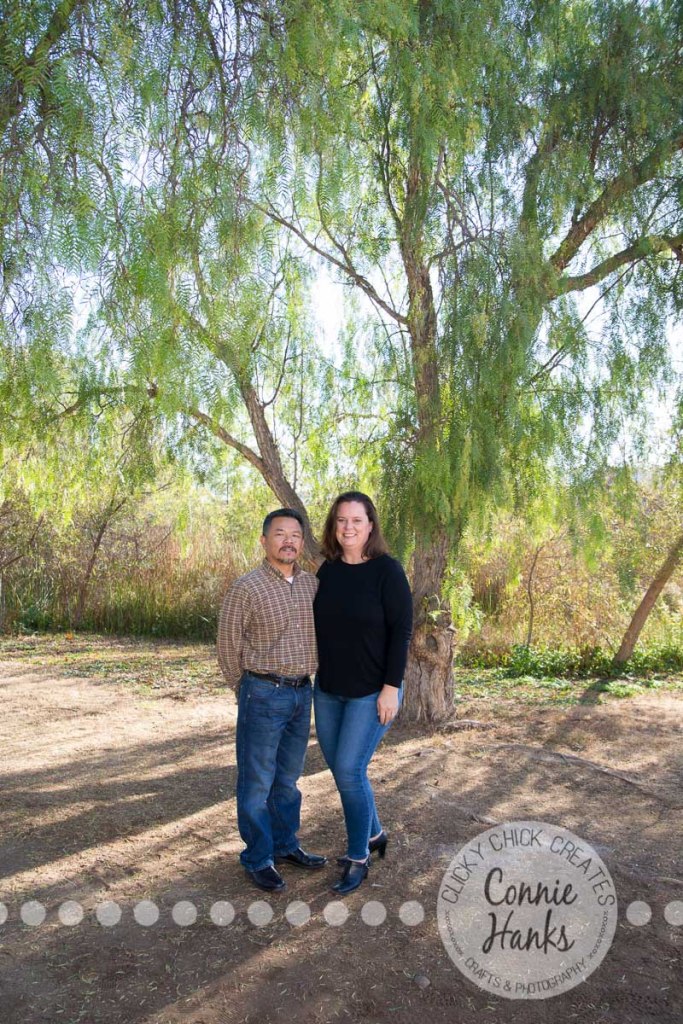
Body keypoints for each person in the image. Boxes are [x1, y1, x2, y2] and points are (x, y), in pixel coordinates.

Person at [217, 508, 327, 892]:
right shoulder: (246, 587)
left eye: (296, 534)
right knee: (257, 781)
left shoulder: (313, 585)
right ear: (264, 541)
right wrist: (245, 689)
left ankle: (285, 845)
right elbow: (227, 647)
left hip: (302, 692)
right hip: (262, 692)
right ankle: (257, 856)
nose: (288, 540)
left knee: (288, 780)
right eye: (280, 533)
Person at [313, 491, 413, 894]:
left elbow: (401, 632)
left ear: (371, 525)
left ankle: (359, 857)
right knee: (342, 769)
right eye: (341, 521)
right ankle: (374, 835)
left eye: (356, 520)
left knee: (350, 771)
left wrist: (391, 689)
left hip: (372, 693)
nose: (348, 527)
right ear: (333, 527)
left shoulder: (388, 571)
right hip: (329, 690)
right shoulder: (328, 572)